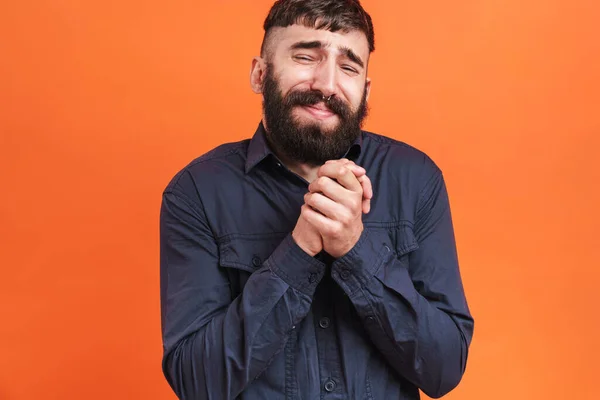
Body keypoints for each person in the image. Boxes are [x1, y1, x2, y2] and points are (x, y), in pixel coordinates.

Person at [159, 0, 474, 398]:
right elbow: (196, 382)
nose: (326, 84)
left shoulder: (416, 179)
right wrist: (300, 248)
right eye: (306, 56)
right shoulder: (196, 193)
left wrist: (356, 251)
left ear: (365, 89)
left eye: (348, 67)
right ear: (260, 74)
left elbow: (444, 370)